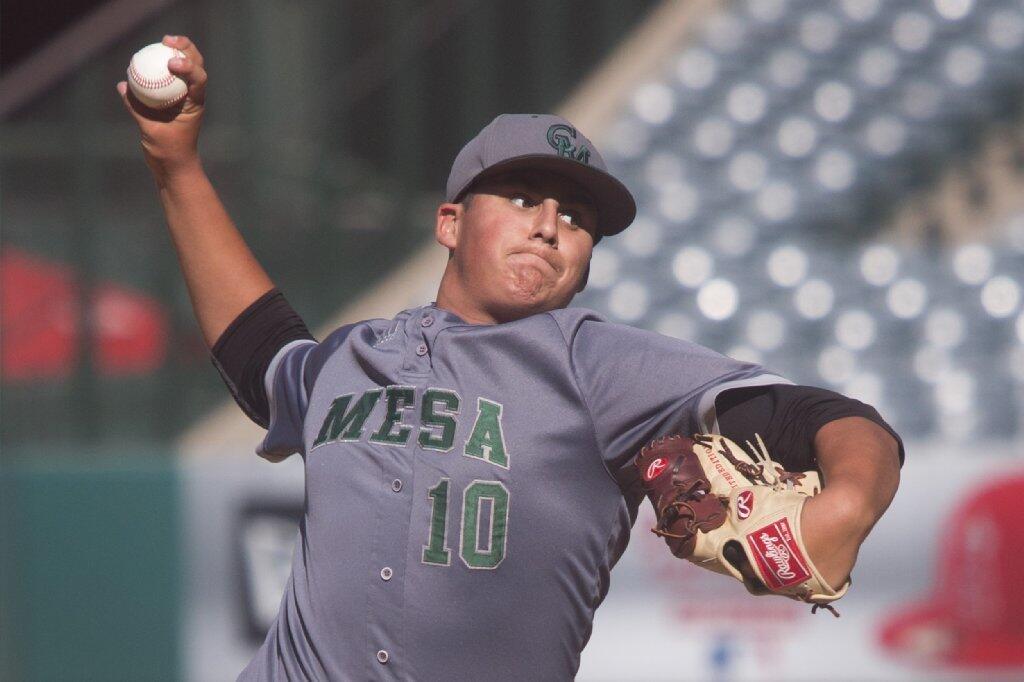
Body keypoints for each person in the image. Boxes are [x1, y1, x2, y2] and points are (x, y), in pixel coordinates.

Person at [119, 35, 903, 680]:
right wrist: (177, 166)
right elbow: (259, 350)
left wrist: (850, 503)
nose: (549, 224)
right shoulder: (352, 358)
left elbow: (824, 416)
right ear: (451, 222)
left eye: (576, 215)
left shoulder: (598, 364)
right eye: (524, 197)